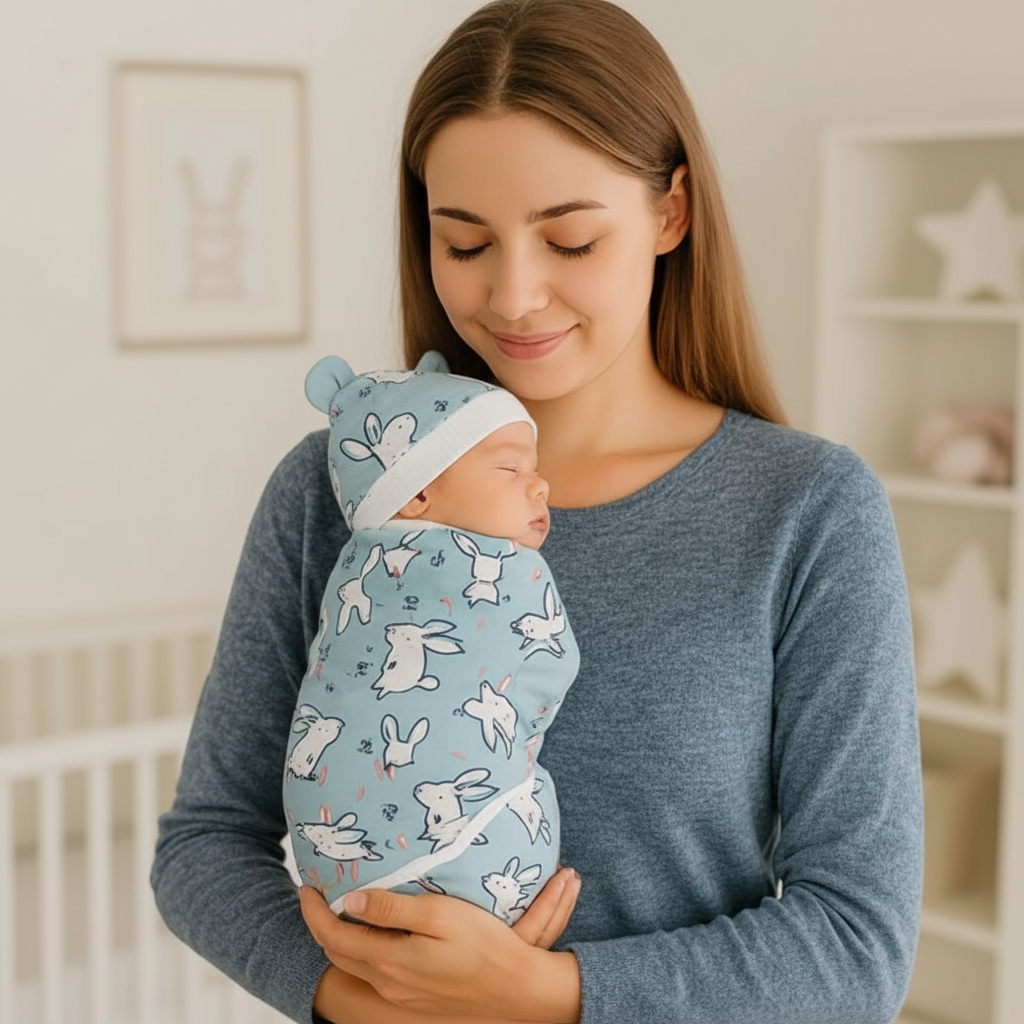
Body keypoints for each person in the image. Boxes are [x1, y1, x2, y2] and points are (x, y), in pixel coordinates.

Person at [152, 1, 923, 1022]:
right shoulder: (335, 493)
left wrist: (552, 994)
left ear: (669, 213)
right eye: (464, 243)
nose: (513, 296)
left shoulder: (806, 511)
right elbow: (202, 843)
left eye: (568, 238)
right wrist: (338, 992)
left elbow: (859, 943)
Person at [284, 350, 578, 924]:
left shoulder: (355, 566)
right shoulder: (513, 569)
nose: (540, 486)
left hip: (335, 879)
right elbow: (551, 667)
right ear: (417, 495)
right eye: (510, 470)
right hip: (479, 858)